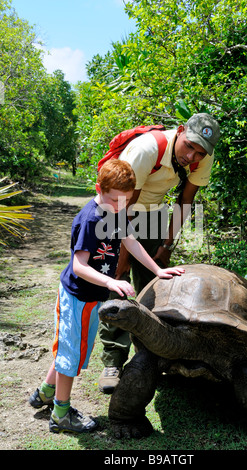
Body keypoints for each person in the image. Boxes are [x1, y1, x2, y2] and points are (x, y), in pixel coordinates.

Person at [28, 160, 184, 434]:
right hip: (79, 296)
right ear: (100, 189)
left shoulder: (116, 210)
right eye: (114, 200)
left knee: (69, 348)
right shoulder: (90, 219)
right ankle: (61, 414)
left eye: (124, 201)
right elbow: (79, 266)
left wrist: (158, 268)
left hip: (92, 295)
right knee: (71, 353)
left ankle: (45, 392)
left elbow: (130, 240)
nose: (119, 207)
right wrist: (112, 281)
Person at [98, 113, 220, 394]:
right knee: (118, 284)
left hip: (152, 215)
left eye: (200, 152)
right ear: (180, 131)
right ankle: (113, 360)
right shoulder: (147, 149)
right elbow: (125, 203)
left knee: (156, 285)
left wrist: (166, 245)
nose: (192, 156)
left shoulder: (203, 156)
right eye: (189, 147)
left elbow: (185, 200)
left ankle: (154, 355)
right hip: (118, 211)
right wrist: (123, 258)